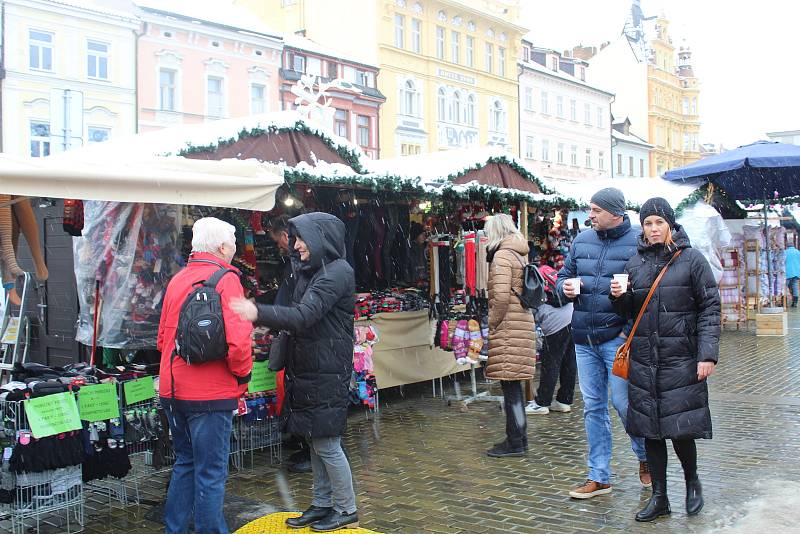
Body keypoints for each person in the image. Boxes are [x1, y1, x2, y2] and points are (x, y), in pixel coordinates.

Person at [231, 212, 358, 532]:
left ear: (319, 238)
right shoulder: (312, 271)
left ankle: (346, 509)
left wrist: (257, 312)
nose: (295, 245)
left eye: (300, 238)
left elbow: (304, 315)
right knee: (316, 439)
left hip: (326, 369)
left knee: (327, 443)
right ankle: (322, 503)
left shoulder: (336, 273)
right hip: (311, 367)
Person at [611, 197, 720, 522]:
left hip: (681, 359)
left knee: (681, 428)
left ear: (670, 224)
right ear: (642, 228)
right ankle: (659, 497)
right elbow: (628, 313)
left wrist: (707, 355)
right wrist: (619, 297)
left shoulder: (692, 260)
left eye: (659, 222)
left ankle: (692, 483)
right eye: (648, 223)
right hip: (645, 361)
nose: (654, 228)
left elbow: (710, 308)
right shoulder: (635, 263)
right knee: (650, 430)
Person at [157, 217, 253, 534]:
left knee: (185, 463)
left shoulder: (178, 279)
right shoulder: (226, 280)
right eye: (233, 244)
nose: (235, 250)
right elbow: (239, 342)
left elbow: (162, 340)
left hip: (173, 388)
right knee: (211, 473)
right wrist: (242, 377)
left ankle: (176, 529)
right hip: (210, 393)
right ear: (223, 247)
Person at [556, 187, 650, 499]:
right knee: (592, 407)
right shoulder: (582, 240)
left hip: (618, 338)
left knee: (622, 403)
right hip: (583, 337)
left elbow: (650, 288)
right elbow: (561, 278)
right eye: (590, 210)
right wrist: (564, 289)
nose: (590, 216)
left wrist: (628, 300)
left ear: (615, 213)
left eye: (596, 210)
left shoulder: (638, 240)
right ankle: (599, 476)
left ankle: (645, 455)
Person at [483, 214, 536, 458]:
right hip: (520, 322)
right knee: (513, 385)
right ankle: (518, 438)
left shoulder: (502, 255)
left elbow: (501, 297)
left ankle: (515, 441)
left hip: (508, 327)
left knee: (511, 387)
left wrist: (492, 322)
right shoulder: (518, 252)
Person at [267, 215, 311, 474]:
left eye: (280, 242)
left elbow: (295, 306)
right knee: (296, 393)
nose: (283, 247)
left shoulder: (303, 269)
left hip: (299, 340)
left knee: (302, 396)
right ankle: (306, 446)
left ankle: (310, 450)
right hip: (295, 337)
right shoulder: (299, 268)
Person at [526, 267, 575, 415]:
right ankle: (564, 401)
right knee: (569, 362)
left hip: (555, 323)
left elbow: (530, 309)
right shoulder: (547, 274)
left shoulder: (530, 281)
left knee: (551, 363)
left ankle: (542, 402)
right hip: (572, 316)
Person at [786, 240, 800, 307]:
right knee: (795, 286)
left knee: (784, 287)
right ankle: (795, 302)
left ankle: (784, 301)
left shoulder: (785, 252)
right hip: (796, 272)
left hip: (787, 272)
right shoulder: (798, 252)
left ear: (787, 246)